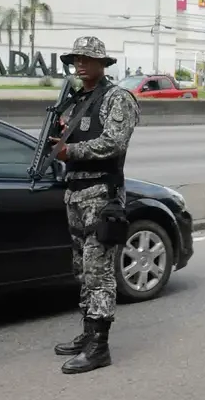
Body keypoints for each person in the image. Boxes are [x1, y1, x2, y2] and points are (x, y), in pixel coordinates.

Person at [47, 36, 141, 375]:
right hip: (75, 193)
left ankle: (100, 347)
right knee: (82, 269)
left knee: (99, 271)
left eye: (88, 58)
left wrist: (69, 151)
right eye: (77, 58)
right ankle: (88, 335)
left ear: (103, 64)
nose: (81, 63)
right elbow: (69, 139)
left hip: (102, 194)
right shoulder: (76, 100)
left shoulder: (118, 99)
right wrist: (60, 136)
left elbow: (114, 142)